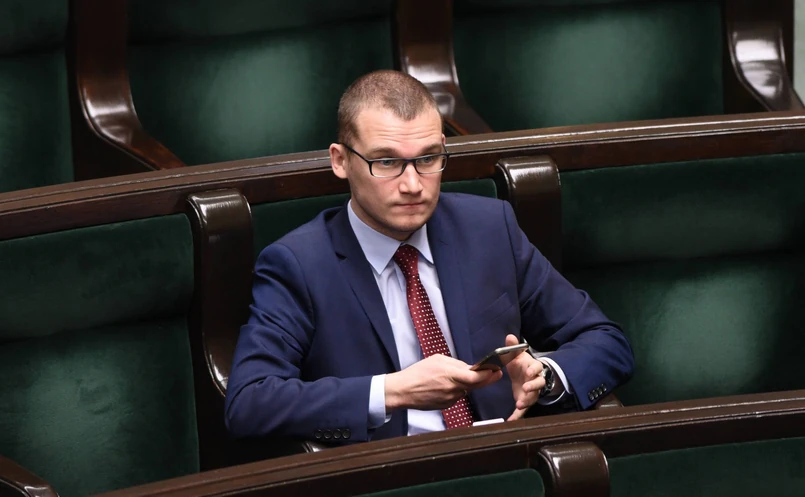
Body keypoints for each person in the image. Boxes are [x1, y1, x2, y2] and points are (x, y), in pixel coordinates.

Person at [225, 70, 633, 444]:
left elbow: (605, 340)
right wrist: (392, 391)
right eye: (386, 162)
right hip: (391, 475)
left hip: (505, 458)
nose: (412, 184)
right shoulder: (299, 264)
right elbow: (249, 402)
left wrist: (544, 378)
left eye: (427, 159)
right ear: (341, 161)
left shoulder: (489, 229)